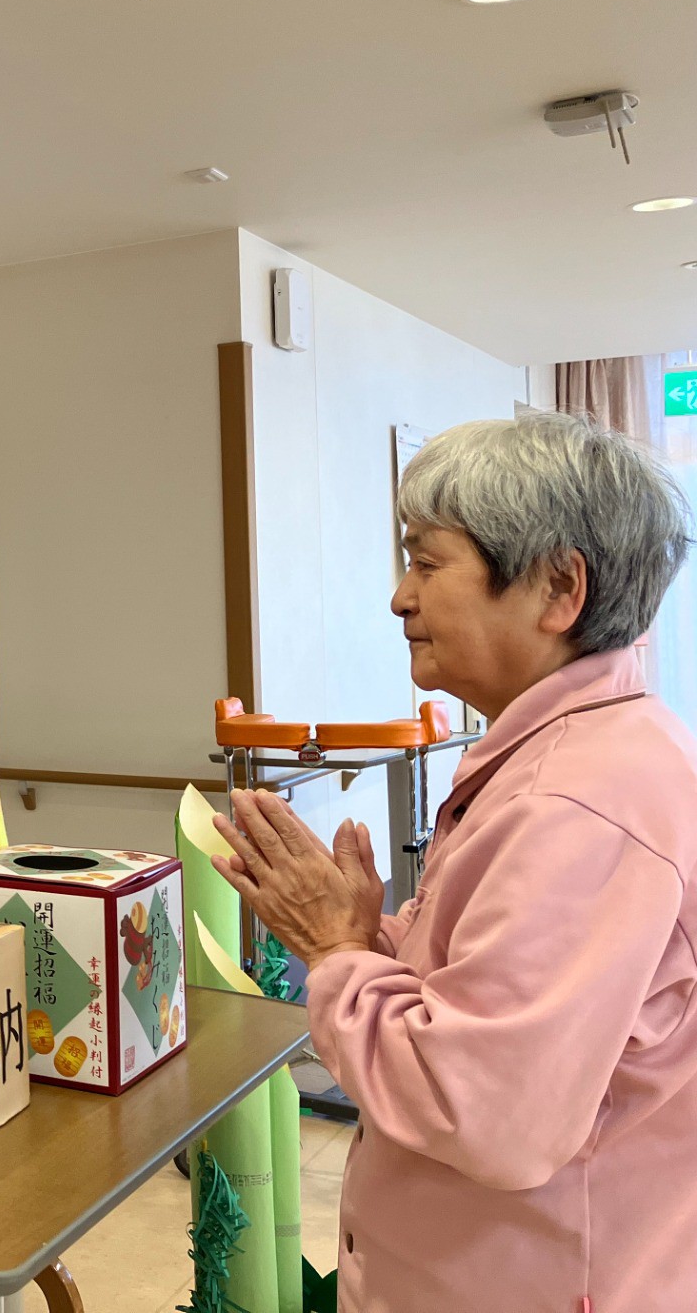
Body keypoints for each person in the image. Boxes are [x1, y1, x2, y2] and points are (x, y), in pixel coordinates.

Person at [211, 410, 697, 1313]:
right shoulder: (587, 750)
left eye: (427, 563)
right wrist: (378, 938)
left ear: (558, 588)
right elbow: (494, 999)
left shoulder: (577, 804)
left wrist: (337, 954)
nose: (400, 597)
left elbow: (484, 1112)